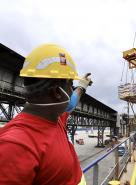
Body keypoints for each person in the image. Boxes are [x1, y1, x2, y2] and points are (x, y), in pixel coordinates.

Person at [0, 44, 92, 185]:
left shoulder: (55, 118)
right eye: (70, 84)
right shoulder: (15, 145)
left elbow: (71, 103)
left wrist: (82, 86)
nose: (72, 90)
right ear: (57, 92)